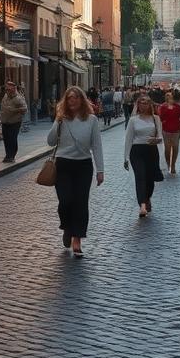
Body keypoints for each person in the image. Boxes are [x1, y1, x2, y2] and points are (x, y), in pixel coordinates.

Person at [48, 86, 104, 258]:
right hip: (63, 165)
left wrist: (100, 170)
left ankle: (77, 239)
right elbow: (50, 142)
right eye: (69, 98)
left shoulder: (92, 120)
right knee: (65, 201)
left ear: (82, 100)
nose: (72, 101)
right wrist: (57, 121)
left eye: (76, 98)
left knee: (80, 203)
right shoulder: (62, 119)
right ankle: (66, 226)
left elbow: (96, 145)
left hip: (83, 166)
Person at [123, 94, 164, 217]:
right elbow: (128, 139)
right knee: (140, 177)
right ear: (137, 105)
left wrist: (156, 140)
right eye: (141, 103)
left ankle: (147, 198)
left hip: (151, 150)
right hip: (136, 151)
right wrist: (125, 158)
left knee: (150, 179)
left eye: (146, 103)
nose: (143, 105)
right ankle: (142, 205)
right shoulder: (133, 120)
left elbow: (161, 136)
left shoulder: (155, 118)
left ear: (150, 105)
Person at [157, 90, 180, 175]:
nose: (171, 100)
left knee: (175, 148)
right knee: (167, 149)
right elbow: (160, 117)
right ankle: (168, 163)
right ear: (166, 99)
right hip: (166, 130)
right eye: (169, 98)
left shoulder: (178, 107)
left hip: (176, 129)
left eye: (172, 98)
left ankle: (173, 165)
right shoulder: (163, 107)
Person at [0, 80, 27, 163]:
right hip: (5, 121)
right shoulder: (5, 96)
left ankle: (12, 155)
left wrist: (14, 110)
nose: (7, 91)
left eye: (9, 89)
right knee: (6, 139)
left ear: (14, 89)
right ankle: (8, 155)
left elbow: (25, 109)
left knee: (12, 138)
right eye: (6, 89)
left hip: (14, 122)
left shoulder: (19, 98)